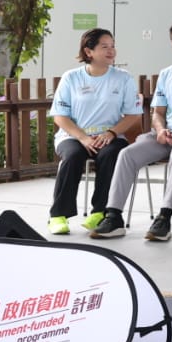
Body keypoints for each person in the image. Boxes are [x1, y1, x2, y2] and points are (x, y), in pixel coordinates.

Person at [95, 19, 172, 241]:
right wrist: (161, 130)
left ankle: (164, 218)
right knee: (127, 154)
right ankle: (114, 216)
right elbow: (158, 112)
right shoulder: (167, 73)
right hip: (166, 135)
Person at [47, 28, 143, 235]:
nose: (111, 51)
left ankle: (100, 212)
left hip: (111, 135)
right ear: (88, 51)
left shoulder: (124, 78)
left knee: (112, 155)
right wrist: (83, 138)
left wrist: (111, 133)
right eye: (104, 47)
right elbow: (60, 116)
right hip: (74, 136)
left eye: (113, 46)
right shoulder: (71, 77)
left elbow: (133, 115)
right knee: (72, 156)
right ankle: (58, 215)